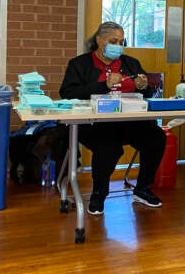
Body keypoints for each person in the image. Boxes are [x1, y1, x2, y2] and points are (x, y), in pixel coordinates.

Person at [59, 21, 166, 216]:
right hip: (93, 125)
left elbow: (148, 93)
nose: (118, 45)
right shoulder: (80, 64)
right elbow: (67, 93)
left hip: (128, 122)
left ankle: (142, 189)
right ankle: (99, 194)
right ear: (99, 41)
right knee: (108, 146)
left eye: (121, 41)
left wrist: (144, 86)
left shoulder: (130, 63)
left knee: (156, 137)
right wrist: (104, 85)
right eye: (113, 41)